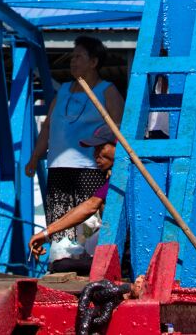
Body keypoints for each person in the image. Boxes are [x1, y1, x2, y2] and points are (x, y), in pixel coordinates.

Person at [24, 36, 125, 253]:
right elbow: (48, 127)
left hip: (91, 167)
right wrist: (35, 156)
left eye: (79, 56)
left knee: (89, 225)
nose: (72, 61)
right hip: (59, 167)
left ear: (94, 62)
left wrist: (114, 157)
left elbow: (119, 128)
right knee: (61, 228)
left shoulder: (107, 90)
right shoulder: (63, 91)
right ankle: (59, 261)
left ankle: (88, 261)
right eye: (72, 56)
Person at [29, 142, 115, 265]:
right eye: (94, 149)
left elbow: (91, 206)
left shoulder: (124, 175)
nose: (96, 155)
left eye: (101, 148)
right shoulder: (111, 180)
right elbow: (89, 205)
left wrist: (46, 232)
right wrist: (47, 233)